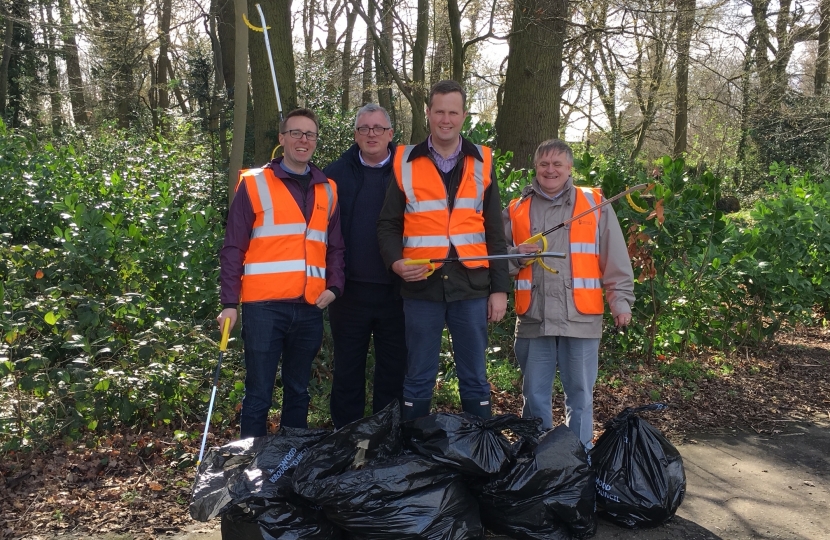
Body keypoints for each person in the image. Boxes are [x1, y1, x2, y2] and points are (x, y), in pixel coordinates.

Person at [377, 80, 510, 421]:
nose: (446, 119)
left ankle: (480, 450)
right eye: (439, 111)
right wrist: (395, 263)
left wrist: (500, 290)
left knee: (475, 377)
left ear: (464, 116)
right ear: (428, 114)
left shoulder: (482, 161)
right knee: (419, 376)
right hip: (422, 286)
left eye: (453, 112)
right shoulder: (405, 160)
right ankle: (415, 452)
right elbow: (388, 224)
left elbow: (494, 230)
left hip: (471, 286)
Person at [217, 108, 345, 438]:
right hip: (263, 307)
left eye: (310, 135)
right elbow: (233, 247)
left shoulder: (328, 189)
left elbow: (335, 247)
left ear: (316, 141)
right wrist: (229, 301)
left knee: (298, 392)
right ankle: (251, 465)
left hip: (309, 307)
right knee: (259, 393)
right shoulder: (255, 184)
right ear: (282, 139)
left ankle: (291, 463)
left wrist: (335, 285)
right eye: (296, 133)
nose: (303, 140)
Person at [503, 139, 634, 448]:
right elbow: (498, 261)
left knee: (580, 393)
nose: (550, 170)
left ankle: (579, 458)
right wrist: (516, 255)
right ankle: (536, 457)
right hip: (534, 317)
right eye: (544, 164)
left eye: (557, 164)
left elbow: (614, 257)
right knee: (534, 394)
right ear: (535, 167)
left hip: (581, 317)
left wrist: (620, 301)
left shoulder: (594, 203)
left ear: (569, 168)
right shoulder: (517, 208)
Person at [323, 104, 407, 429]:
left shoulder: (410, 172)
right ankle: (346, 441)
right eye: (364, 128)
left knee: (393, 373)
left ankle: (386, 441)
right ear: (356, 135)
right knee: (347, 372)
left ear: (390, 133)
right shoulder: (335, 175)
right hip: (349, 294)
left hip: (397, 293)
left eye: (377, 128)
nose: (371, 134)